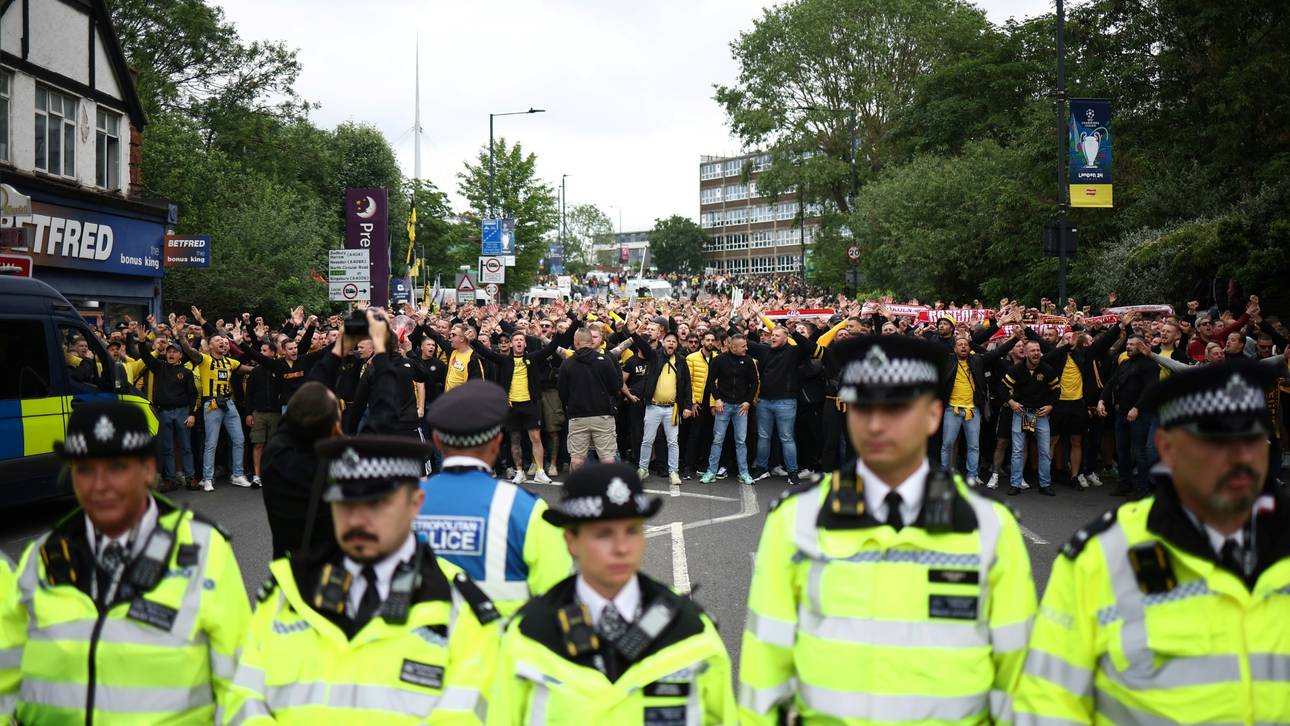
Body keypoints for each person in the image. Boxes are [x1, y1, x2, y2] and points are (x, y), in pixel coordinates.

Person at [738, 335, 1036, 724]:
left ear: (932, 415)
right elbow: (764, 675)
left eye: (895, 408)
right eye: (863, 406)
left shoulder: (988, 525)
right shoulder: (797, 520)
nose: (876, 424)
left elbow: (1019, 681)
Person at [1014, 359, 1290, 724]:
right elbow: (1049, 702)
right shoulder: (1103, 556)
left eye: (1250, 436)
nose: (1238, 457)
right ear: (1168, 447)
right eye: (1215, 438)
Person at [0, 400, 250, 724]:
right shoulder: (42, 559)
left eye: (117, 467)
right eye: (85, 469)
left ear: (148, 470)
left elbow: (241, 686)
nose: (100, 485)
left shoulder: (203, 550)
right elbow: (6, 683)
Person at [222, 435, 501, 724]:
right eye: (345, 503)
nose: (356, 520)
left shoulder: (459, 608)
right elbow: (243, 702)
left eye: (377, 503)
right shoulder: (287, 592)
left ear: (415, 503)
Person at [488, 463, 737, 724]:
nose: (621, 548)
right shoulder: (530, 634)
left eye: (632, 531)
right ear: (571, 541)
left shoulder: (690, 628)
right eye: (603, 534)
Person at [415, 380, 572, 617]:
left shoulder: (401, 504)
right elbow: (561, 600)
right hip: (499, 646)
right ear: (498, 442)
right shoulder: (526, 510)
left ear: (437, 441)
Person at [178, 322, 252, 492]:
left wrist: (271, 366)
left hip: (229, 403)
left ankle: (237, 474)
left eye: (225, 341)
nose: (223, 343)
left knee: (239, 439)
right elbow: (189, 351)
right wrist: (181, 336)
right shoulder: (204, 359)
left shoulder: (230, 362)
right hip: (211, 404)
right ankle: (207, 478)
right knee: (212, 442)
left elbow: (249, 370)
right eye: (218, 340)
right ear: (209, 345)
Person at [699, 333, 761, 485]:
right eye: (743, 346)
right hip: (724, 405)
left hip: (741, 407)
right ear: (733, 347)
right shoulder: (719, 360)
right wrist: (717, 399)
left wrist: (748, 401)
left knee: (741, 441)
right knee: (718, 440)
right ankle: (711, 471)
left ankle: (744, 472)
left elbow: (755, 383)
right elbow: (710, 381)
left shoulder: (748, 361)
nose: (746, 348)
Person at [558, 328, 622, 469]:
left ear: (576, 342)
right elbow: (616, 386)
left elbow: (562, 392)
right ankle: (607, 490)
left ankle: (577, 490)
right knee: (607, 459)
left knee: (577, 460)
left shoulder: (567, 363)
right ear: (591, 341)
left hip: (577, 417)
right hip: (603, 416)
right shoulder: (605, 360)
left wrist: (570, 405)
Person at [1003, 339, 1061, 496]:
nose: (1036, 353)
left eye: (1038, 350)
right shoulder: (1016, 370)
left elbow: (1057, 390)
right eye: (1033, 351)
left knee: (1044, 451)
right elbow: (1003, 387)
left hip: (1041, 415)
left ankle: (1045, 484)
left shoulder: (1047, 370)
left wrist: (1051, 406)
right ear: (1026, 353)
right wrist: (1011, 402)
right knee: (1017, 450)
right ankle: (1015, 484)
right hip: (1020, 413)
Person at [634, 331, 692, 486]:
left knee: (673, 442)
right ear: (663, 342)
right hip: (653, 407)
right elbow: (643, 347)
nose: (671, 343)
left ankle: (673, 471)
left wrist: (687, 406)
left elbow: (687, 385)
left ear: (677, 344)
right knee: (647, 440)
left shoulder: (681, 360)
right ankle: (643, 469)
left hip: (672, 409)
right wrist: (633, 333)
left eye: (674, 341)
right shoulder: (655, 356)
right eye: (668, 341)